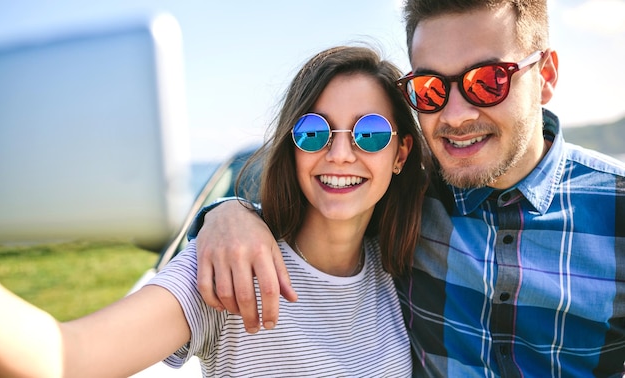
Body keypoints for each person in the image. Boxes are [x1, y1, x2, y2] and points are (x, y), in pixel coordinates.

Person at [189, 0, 625, 376]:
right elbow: (313, 192)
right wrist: (227, 214)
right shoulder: (403, 197)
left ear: (545, 75)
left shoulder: (617, 210)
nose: (454, 115)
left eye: (488, 82)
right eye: (431, 88)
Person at [0, 45, 430, 377]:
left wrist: (225, 210)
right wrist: (225, 215)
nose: (339, 153)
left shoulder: (401, 271)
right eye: (313, 131)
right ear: (291, 147)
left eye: (369, 132)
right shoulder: (226, 265)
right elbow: (67, 357)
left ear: (400, 154)